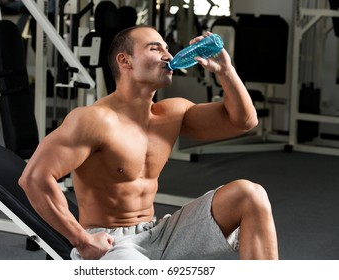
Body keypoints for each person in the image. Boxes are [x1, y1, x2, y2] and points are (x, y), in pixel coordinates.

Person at [18, 25, 278, 260]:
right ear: (125, 61)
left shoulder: (172, 114)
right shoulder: (94, 119)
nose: (168, 55)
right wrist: (83, 240)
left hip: (159, 231)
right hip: (113, 244)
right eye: (155, 49)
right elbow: (34, 178)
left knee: (250, 195)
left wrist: (226, 71)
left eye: (167, 48)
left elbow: (243, 121)